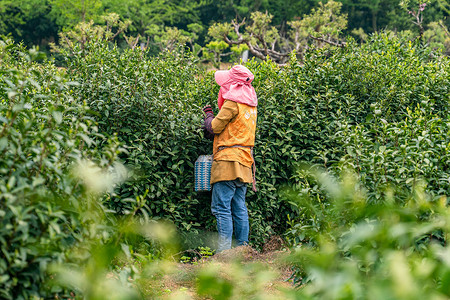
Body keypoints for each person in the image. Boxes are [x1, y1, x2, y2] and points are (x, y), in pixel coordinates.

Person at [202, 65, 258, 252]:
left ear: (233, 84)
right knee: (239, 207)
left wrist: (209, 116)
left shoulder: (232, 103)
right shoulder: (250, 105)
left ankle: (224, 253)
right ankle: (243, 248)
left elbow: (214, 128)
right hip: (244, 164)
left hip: (227, 162)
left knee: (221, 208)